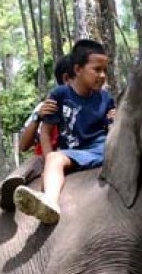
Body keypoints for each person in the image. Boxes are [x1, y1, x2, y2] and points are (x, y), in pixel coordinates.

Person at [14, 39, 115, 224]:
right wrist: (48, 158)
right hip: (72, 153)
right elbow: (45, 133)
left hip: (100, 149)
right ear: (77, 70)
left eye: (105, 71)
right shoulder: (59, 96)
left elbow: (111, 130)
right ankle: (48, 202)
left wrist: (117, 121)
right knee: (53, 158)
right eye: (97, 70)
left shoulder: (106, 99)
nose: (102, 75)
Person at [0, 55, 74, 211]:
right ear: (67, 79)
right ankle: (11, 185)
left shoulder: (92, 104)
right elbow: (23, 146)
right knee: (34, 163)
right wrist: (38, 117)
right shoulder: (46, 106)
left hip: (73, 157)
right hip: (45, 158)